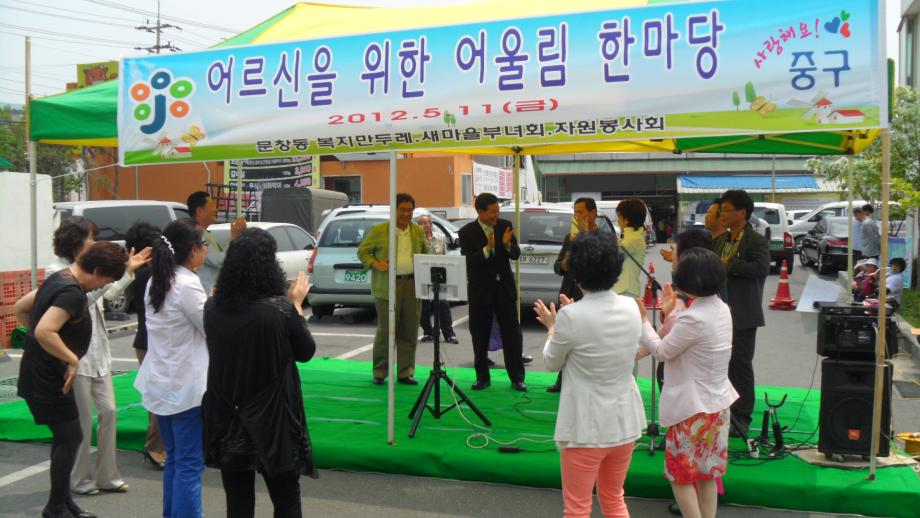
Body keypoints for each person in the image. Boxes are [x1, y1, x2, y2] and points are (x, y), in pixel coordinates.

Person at [202, 228, 318, 518]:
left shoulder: (212, 307)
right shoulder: (280, 310)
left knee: (238, 503)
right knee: (286, 499)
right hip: (273, 418)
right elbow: (305, 351)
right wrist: (297, 305)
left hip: (228, 414)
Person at [534, 232, 646, 518]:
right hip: (624, 422)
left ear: (578, 272)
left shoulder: (572, 317)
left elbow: (551, 362)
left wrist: (552, 327)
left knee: (577, 509)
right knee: (614, 499)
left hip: (585, 426)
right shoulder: (630, 306)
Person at [15, 241, 128, 518]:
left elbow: (22, 307)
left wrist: (41, 347)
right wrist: (71, 358)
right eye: (106, 280)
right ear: (98, 269)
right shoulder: (72, 291)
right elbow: (45, 330)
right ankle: (55, 506)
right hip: (48, 378)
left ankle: (64, 502)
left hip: (42, 373)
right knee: (70, 438)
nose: (101, 287)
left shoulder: (59, 278)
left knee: (66, 439)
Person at [45, 218, 150, 497]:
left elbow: (107, 293)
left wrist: (126, 273)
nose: (93, 243)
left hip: (99, 353)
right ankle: (80, 480)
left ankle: (108, 476)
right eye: (90, 238)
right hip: (74, 357)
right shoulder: (57, 272)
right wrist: (113, 276)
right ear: (76, 241)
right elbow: (81, 301)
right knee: (80, 421)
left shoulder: (90, 271)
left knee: (110, 412)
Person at [637, 248, 738, 518]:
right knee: (707, 475)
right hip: (717, 406)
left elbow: (661, 351)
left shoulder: (694, 318)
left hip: (691, 411)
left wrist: (645, 322)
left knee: (680, 477)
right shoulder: (721, 308)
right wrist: (675, 309)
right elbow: (679, 332)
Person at [134, 218, 210, 518]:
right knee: (190, 462)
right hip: (185, 387)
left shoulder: (158, 279)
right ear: (192, 250)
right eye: (204, 245)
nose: (205, 251)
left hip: (161, 382)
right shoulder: (188, 284)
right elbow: (209, 328)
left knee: (177, 459)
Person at [713, 189, 770, 437]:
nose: (722, 215)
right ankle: (722, 410)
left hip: (743, 313)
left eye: (726, 210)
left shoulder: (755, 241)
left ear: (742, 213)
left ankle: (742, 416)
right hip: (718, 313)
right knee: (720, 363)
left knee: (740, 364)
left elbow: (760, 268)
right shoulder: (721, 240)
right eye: (722, 210)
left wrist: (731, 265)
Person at [546, 197, 618, 393]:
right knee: (566, 336)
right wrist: (564, 263)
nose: (578, 216)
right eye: (575, 213)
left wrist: (585, 236)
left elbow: (604, 265)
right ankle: (562, 380)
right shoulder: (570, 238)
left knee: (590, 338)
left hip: (593, 294)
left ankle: (589, 380)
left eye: (582, 213)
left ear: (593, 213)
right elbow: (557, 266)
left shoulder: (604, 237)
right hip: (569, 291)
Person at [357, 193, 428, 386]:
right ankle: (380, 371)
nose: (406, 214)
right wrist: (375, 263)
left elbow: (425, 255)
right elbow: (362, 251)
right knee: (386, 331)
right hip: (387, 286)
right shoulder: (380, 230)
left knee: (410, 330)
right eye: (402, 209)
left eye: (409, 210)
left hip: (412, 285)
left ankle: (406, 372)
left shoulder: (418, 231)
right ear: (394, 210)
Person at [459, 192, 527, 392]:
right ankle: (482, 378)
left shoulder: (504, 225)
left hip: (504, 288)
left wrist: (507, 245)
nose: (497, 215)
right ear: (480, 211)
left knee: (512, 334)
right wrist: (487, 249)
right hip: (481, 291)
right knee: (479, 335)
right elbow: (469, 262)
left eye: (498, 211)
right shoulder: (466, 232)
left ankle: (517, 378)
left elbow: (516, 254)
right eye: (493, 212)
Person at [125, 222, 167, 470]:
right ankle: (154, 447)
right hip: (151, 343)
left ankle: (157, 446)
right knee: (159, 397)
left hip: (146, 341)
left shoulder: (140, 273)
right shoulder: (146, 274)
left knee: (158, 395)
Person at [187, 190, 246, 294]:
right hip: (204, 294)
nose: (216, 209)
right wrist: (235, 236)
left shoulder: (203, 233)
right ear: (199, 211)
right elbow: (220, 260)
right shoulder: (197, 235)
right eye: (212, 206)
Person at [417, 214, 458, 344]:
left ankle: (449, 334)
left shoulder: (440, 238)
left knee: (443, 305)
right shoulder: (416, 239)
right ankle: (428, 333)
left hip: (438, 276)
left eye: (428, 222)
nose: (426, 225)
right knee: (423, 307)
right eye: (422, 223)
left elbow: (444, 256)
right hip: (422, 275)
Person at [613, 198, 647, 298]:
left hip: (625, 291)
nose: (618, 221)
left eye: (619, 216)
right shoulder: (632, 237)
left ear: (626, 220)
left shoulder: (634, 239)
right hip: (623, 290)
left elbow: (610, 250)